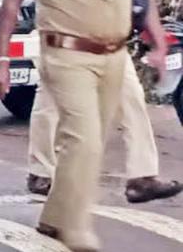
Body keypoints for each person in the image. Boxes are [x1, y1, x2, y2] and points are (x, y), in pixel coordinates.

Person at [0, 0, 171, 252]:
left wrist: (158, 42)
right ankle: (78, 231)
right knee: (84, 140)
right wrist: (0, 59)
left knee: (89, 140)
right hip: (66, 56)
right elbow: (10, 4)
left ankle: (53, 217)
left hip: (114, 55)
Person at [27, 66, 182, 203]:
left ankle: (142, 177)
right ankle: (41, 172)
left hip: (110, 42)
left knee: (132, 97)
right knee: (50, 102)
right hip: (62, 41)